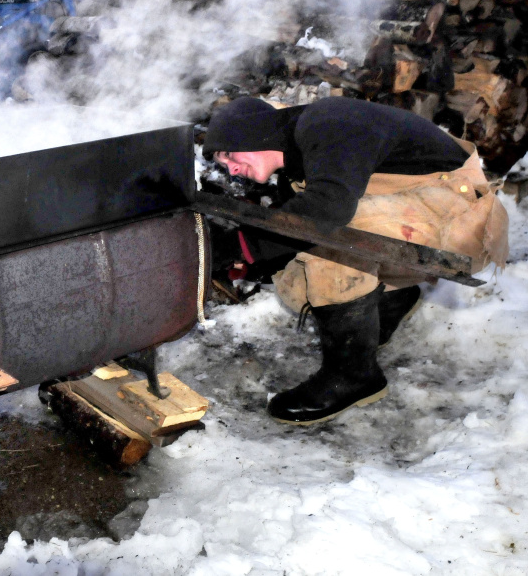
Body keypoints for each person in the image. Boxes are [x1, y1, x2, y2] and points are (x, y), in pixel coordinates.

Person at [203, 96, 509, 425]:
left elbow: (327, 213)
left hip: (465, 218)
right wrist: (254, 261)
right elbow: (296, 230)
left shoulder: (327, 122)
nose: (231, 169)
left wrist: (241, 245)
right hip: (430, 207)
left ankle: (353, 377)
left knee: (333, 245)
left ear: (253, 134)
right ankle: (391, 299)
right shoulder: (299, 158)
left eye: (230, 155)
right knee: (298, 284)